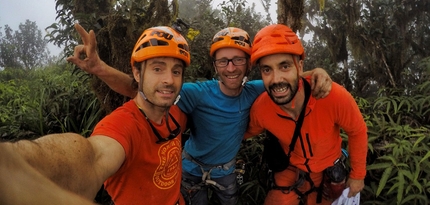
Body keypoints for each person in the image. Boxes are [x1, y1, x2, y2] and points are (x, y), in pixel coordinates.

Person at [67, 25, 333, 205]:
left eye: (238, 60)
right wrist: (99, 69)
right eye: (223, 61)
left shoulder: (255, 90)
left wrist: (317, 73)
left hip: (226, 169)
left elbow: (284, 79)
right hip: (191, 167)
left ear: (249, 65)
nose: (231, 68)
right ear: (215, 65)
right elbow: (138, 89)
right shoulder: (196, 93)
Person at [0, 25, 190, 205]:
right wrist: (15, 166)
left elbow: (136, 88)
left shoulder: (176, 111)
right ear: (138, 74)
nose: (169, 80)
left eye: (176, 71)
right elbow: (93, 157)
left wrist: (100, 68)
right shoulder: (124, 125)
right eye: (157, 69)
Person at [244, 24, 368, 205]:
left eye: (284, 66)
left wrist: (357, 176)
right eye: (267, 70)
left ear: (299, 67)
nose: (276, 79)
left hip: (327, 168)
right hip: (290, 169)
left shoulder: (331, 96)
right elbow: (243, 133)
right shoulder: (261, 108)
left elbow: (357, 130)